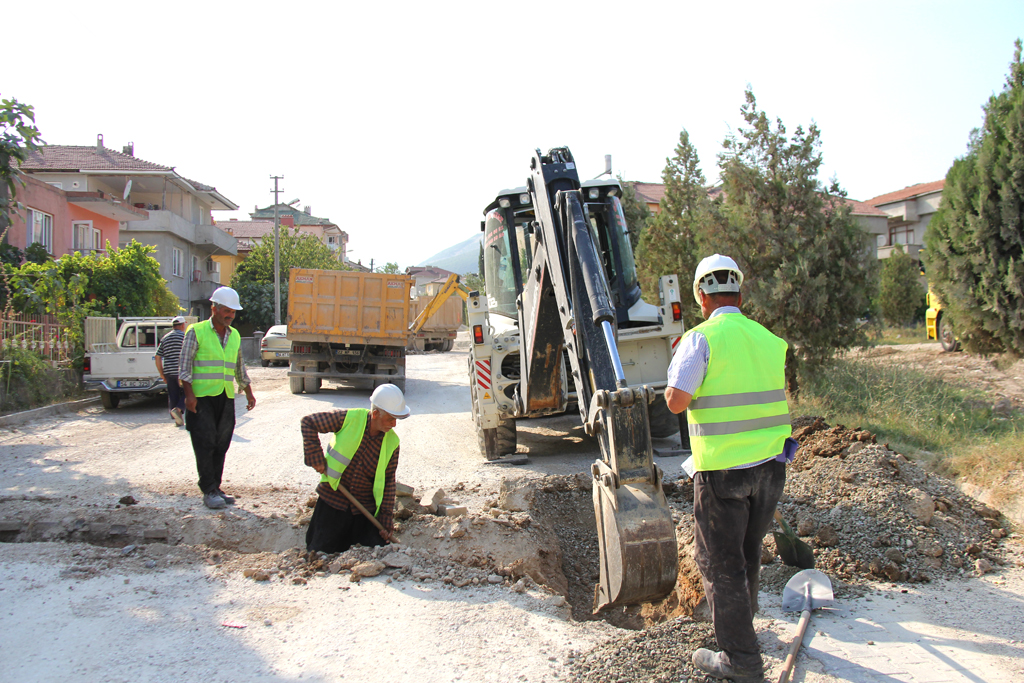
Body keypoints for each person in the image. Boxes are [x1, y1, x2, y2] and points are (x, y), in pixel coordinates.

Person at [665, 254, 795, 683]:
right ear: (740, 293)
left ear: (701, 296)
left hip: (724, 472)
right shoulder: (768, 339)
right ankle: (746, 627)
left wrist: (680, 362)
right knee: (747, 551)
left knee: (720, 563)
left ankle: (740, 659)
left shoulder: (701, 339)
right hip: (771, 468)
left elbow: (676, 401)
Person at [301, 383, 409, 553]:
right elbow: (308, 422)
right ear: (375, 414)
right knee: (320, 551)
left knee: (375, 552)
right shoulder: (349, 419)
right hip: (333, 501)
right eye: (390, 419)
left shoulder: (392, 443)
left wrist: (386, 520)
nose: (394, 424)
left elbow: (389, 483)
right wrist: (315, 457)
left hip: (364, 511)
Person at [178, 287, 257, 510]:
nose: (230, 316)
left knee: (221, 443)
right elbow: (184, 367)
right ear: (214, 308)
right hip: (201, 398)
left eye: (233, 312)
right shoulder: (196, 331)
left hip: (225, 396)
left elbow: (239, 367)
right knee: (205, 443)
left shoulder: (234, 335)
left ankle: (216, 487)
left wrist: (248, 391)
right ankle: (208, 489)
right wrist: (189, 395)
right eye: (226, 311)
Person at [155, 316, 187, 426]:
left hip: (168, 371)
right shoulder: (185, 337)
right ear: (183, 325)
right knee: (189, 391)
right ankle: (179, 409)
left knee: (173, 394)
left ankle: (177, 419)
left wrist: (161, 373)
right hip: (181, 370)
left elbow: (157, 357)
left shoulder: (165, 338)